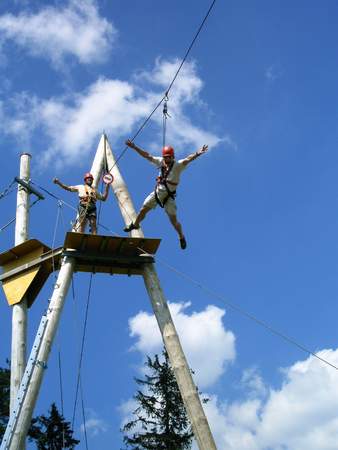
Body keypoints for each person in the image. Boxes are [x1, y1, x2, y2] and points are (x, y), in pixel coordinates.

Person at [123, 139, 208, 249]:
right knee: (143, 209)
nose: (167, 159)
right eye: (165, 157)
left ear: (172, 157)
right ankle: (135, 224)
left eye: (169, 157)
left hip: (169, 197)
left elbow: (188, 159)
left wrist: (197, 153)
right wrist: (134, 147)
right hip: (158, 193)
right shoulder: (160, 162)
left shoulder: (178, 165)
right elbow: (147, 156)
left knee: (173, 221)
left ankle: (181, 236)